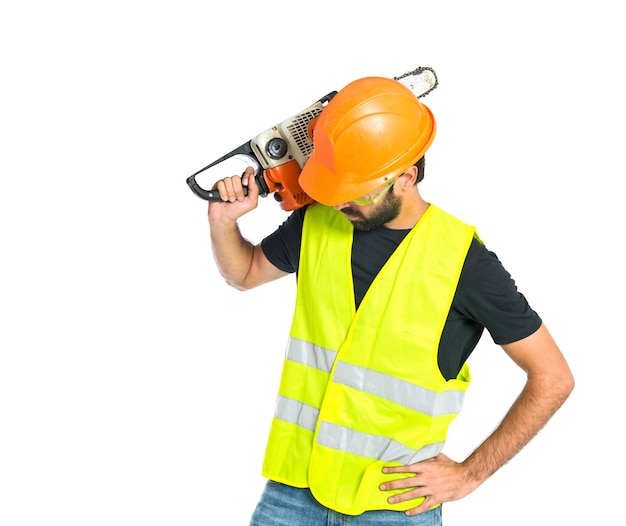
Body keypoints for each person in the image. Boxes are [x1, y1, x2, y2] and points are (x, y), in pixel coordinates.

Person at [205, 76, 574, 526]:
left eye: (356, 189)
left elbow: (553, 378)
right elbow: (243, 273)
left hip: (394, 507)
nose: (339, 201)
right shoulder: (317, 222)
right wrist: (224, 223)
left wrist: (469, 476)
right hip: (291, 494)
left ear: (406, 176)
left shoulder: (465, 262)